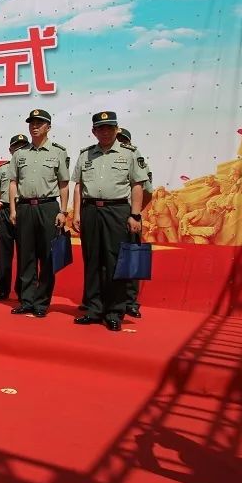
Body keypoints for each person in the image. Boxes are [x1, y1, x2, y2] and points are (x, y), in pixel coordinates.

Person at [72, 112, 148, 331]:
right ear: (94, 131)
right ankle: (94, 309)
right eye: (100, 128)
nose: (105, 132)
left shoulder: (129, 153)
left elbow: (137, 185)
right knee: (92, 260)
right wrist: (76, 214)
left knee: (115, 262)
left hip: (117, 211)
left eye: (109, 128)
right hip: (91, 211)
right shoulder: (86, 155)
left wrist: (134, 215)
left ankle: (115, 311)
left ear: (116, 130)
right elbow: (78, 185)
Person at [8, 109, 70, 318]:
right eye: (31, 123)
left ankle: (42, 303)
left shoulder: (58, 152)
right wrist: (14, 208)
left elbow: (63, 184)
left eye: (39, 123)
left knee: (47, 256)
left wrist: (63, 210)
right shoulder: (20, 153)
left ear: (48, 127)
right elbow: (13, 182)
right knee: (26, 256)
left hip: (48, 207)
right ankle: (27, 300)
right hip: (25, 207)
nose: (34, 127)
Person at [0, 134, 29, 300]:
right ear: (10, 150)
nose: (19, 150)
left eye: (23, 147)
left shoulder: (29, 167)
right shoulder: (3, 169)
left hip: (24, 210)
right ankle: (2, 288)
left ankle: (23, 289)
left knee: (25, 253)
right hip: (4, 211)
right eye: (16, 147)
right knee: (4, 254)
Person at [116, 127, 152, 318]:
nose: (120, 142)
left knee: (130, 258)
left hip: (131, 217)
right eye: (118, 139)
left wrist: (135, 213)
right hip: (110, 214)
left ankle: (130, 302)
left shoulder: (138, 163)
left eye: (124, 140)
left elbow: (147, 192)